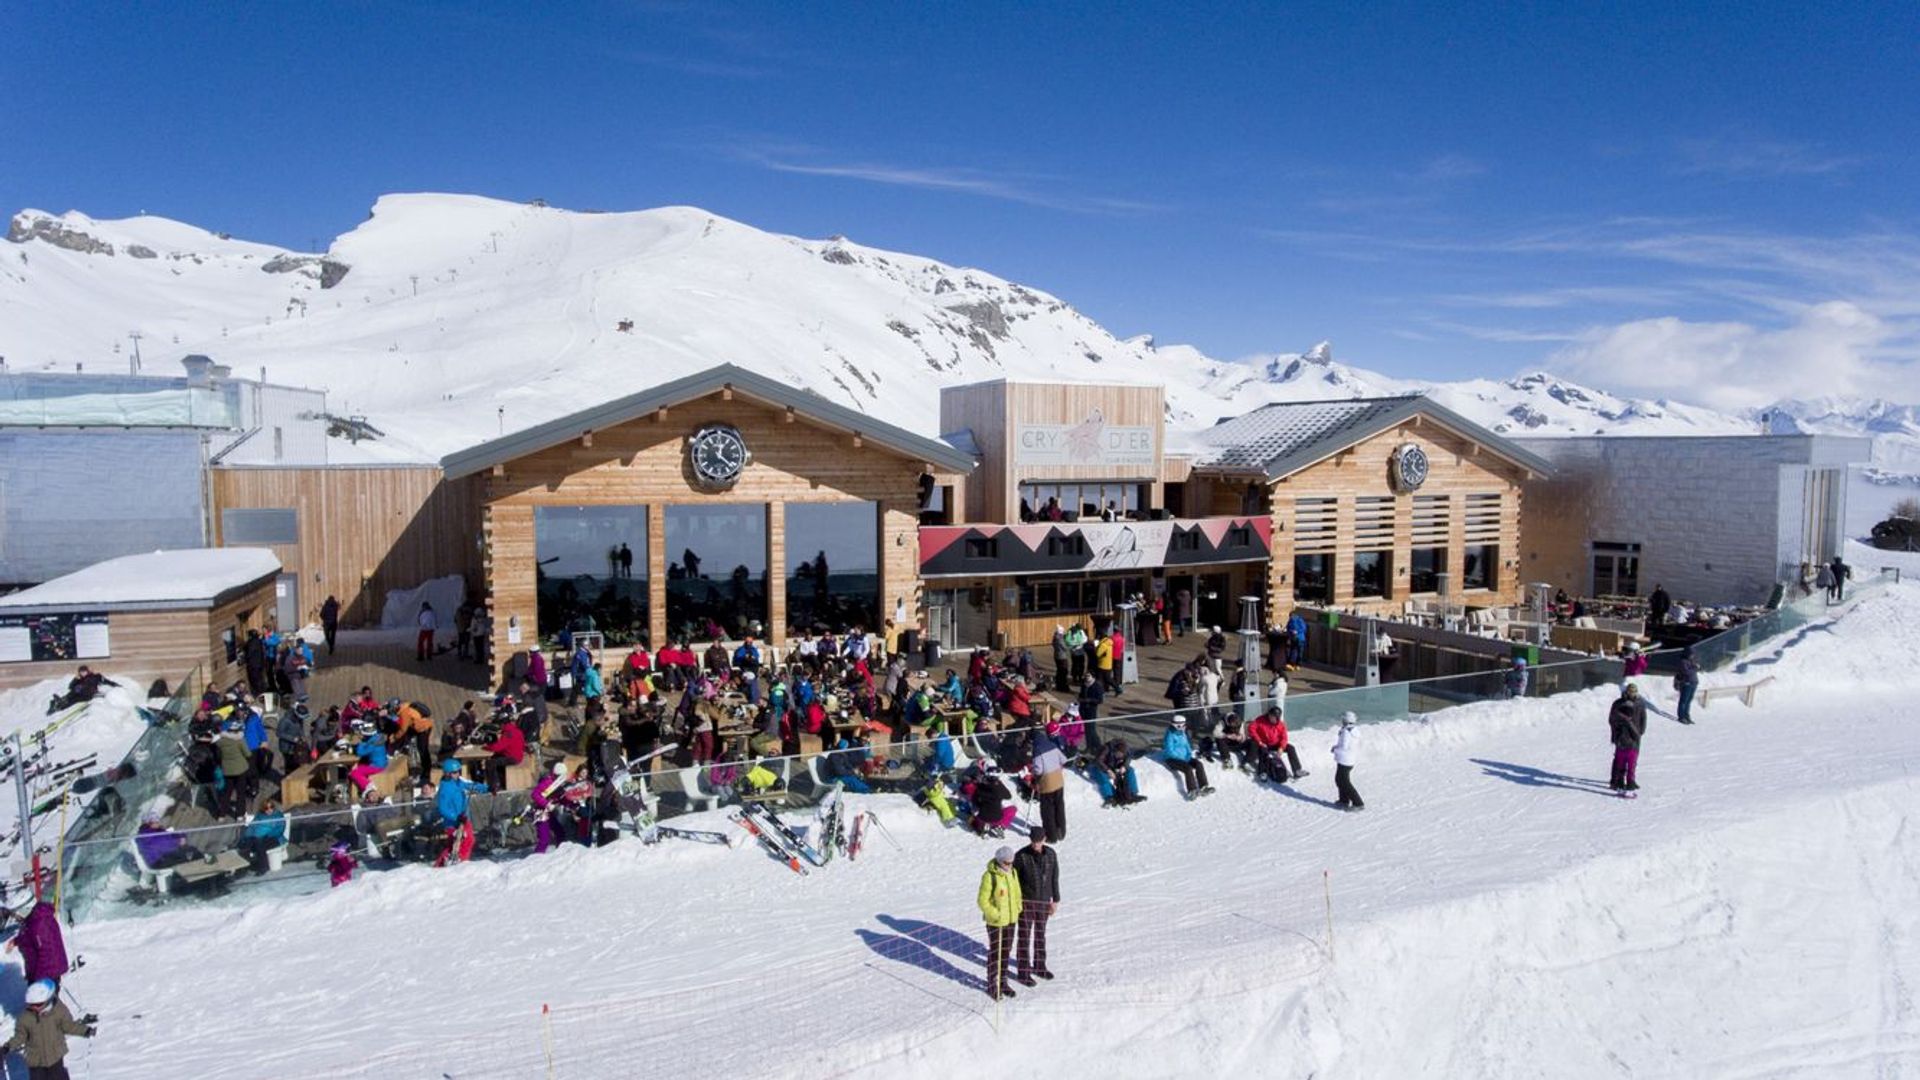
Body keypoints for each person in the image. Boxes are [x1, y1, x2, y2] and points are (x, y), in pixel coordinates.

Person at [8, 978, 95, 1079]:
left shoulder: (58, 1011)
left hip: (55, 1056)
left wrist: (85, 1030)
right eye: (31, 1005)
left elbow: (69, 1025)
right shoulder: (25, 1017)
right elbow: (20, 1036)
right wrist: (7, 1047)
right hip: (36, 1061)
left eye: (38, 1004)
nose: (34, 1007)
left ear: (48, 1000)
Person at [1012, 826, 1060, 986]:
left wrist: (1055, 900)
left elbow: (1055, 878)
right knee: (1024, 937)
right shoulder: (1021, 856)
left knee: (1040, 934)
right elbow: (1014, 882)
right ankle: (1023, 972)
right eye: (1033, 841)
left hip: (1044, 902)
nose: (1035, 845)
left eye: (1038, 842)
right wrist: (1016, 901)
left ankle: (1040, 966)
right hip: (1026, 903)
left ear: (1044, 839)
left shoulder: (1051, 854)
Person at [978, 846, 1023, 1001]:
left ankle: (1003, 982)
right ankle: (992, 984)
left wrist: (1018, 907)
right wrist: (995, 914)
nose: (1010, 865)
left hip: (1010, 920)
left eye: (1012, 862)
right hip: (996, 923)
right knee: (995, 953)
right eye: (1007, 862)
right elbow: (982, 901)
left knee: (1006, 951)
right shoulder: (990, 876)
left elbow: (1017, 893)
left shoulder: (1013, 873)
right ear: (999, 861)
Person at [6, 900, 68, 993]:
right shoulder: (32, 920)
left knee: (43, 1000)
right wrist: (16, 941)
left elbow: (47, 953)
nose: (16, 918)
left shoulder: (40, 924)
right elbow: (28, 936)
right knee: (36, 1000)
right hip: (39, 969)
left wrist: (37, 978)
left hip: (48, 971)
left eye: (16, 915)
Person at [433, 759, 487, 866]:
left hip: (463, 818)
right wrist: (455, 818)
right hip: (453, 823)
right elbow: (443, 808)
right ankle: (459, 862)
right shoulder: (445, 789)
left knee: (463, 841)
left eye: (459, 771)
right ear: (447, 773)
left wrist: (488, 788)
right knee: (465, 840)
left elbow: (471, 785)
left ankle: (444, 864)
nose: (457, 774)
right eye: (454, 772)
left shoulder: (458, 782)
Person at [1031, 719, 1069, 843]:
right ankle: (1061, 831)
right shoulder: (1052, 745)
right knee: (1059, 806)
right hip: (1058, 781)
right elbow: (1063, 760)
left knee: (1047, 811)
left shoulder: (1037, 750)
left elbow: (1038, 769)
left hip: (1046, 784)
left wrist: (1033, 773)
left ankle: (1051, 836)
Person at [1608, 684, 1648, 792]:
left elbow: (1643, 719)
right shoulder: (1618, 703)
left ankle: (1631, 780)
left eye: (1634, 691)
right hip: (1621, 735)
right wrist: (1617, 731)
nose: (1632, 694)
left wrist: (1640, 732)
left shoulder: (1640, 704)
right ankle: (1616, 780)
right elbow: (1611, 719)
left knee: (1632, 759)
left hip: (1635, 736)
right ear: (1626, 692)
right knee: (1619, 759)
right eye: (1630, 691)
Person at [1161, 716, 1212, 799]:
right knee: (1187, 768)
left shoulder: (1182, 733)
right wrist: (1181, 758)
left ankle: (1204, 786)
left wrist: (1189, 754)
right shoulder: (1169, 735)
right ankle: (1192, 790)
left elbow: (1187, 745)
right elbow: (1170, 751)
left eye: (1183, 725)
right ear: (1175, 725)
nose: (1183, 727)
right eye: (1180, 726)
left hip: (1184, 757)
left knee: (1198, 764)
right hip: (1171, 759)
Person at [237, 799, 287, 873]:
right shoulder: (259, 816)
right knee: (246, 843)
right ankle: (243, 866)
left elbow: (279, 830)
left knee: (259, 842)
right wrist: (247, 837)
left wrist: (266, 835)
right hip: (258, 839)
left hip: (274, 839)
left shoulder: (278, 815)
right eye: (266, 808)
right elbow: (251, 827)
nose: (269, 810)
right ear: (263, 809)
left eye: (271, 807)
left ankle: (263, 866)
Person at [1092, 738, 1142, 806]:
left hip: (1115, 766)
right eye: (1119, 754)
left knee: (1130, 770)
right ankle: (1110, 796)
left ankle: (1133, 793)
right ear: (1115, 750)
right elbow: (1098, 761)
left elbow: (1128, 757)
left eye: (1122, 755)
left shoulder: (1126, 748)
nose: (1120, 757)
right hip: (1103, 767)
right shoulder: (1106, 749)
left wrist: (1124, 766)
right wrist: (1108, 770)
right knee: (1101, 776)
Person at [1332, 711, 1364, 810]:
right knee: (1340, 780)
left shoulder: (1346, 732)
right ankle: (1343, 800)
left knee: (1343, 781)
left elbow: (1344, 746)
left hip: (1344, 759)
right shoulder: (1355, 730)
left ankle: (1358, 803)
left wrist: (1335, 749)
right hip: (1350, 759)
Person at [1673, 644, 1700, 725]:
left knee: (1688, 701)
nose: (1692, 656)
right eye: (1691, 654)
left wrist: (1695, 667)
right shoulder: (1683, 661)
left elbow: (1693, 670)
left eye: (1693, 654)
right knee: (1683, 701)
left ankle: (1687, 716)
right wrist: (1695, 668)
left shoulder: (1691, 662)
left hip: (1693, 682)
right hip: (1686, 683)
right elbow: (1686, 672)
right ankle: (1681, 717)